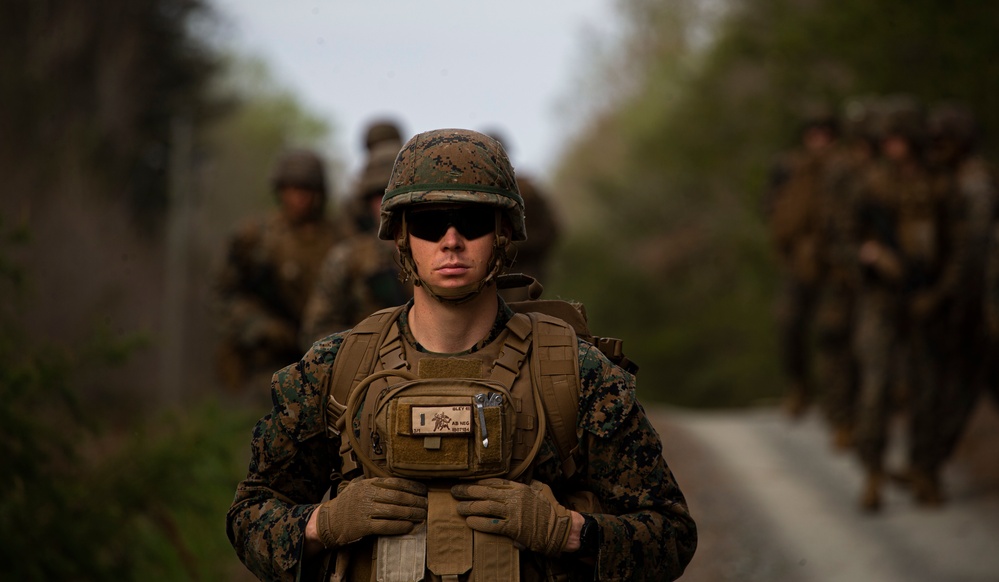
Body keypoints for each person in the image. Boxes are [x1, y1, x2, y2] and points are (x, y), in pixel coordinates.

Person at [226, 128, 697, 581]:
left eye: (471, 222)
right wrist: (321, 525)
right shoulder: (336, 371)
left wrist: (571, 532)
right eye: (431, 223)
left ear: (503, 235)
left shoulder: (572, 372)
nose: (451, 241)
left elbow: (671, 535)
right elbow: (249, 517)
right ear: (403, 237)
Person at [214, 148, 340, 395]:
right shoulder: (255, 238)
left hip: (324, 358)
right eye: (291, 189)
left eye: (306, 189)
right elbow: (223, 293)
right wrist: (258, 324)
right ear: (280, 191)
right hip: (265, 361)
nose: (298, 198)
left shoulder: (339, 239)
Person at [299, 132, 412, 347]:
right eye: (379, 194)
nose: (387, 203)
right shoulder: (347, 259)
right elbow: (316, 332)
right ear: (366, 199)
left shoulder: (443, 253)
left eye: (396, 193)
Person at [765, 108, 839, 419]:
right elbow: (771, 208)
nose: (819, 139)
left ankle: (838, 401)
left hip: (837, 262)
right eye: (814, 132)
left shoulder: (845, 168)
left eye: (825, 132)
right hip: (798, 262)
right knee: (789, 323)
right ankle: (799, 388)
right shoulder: (789, 167)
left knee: (833, 330)